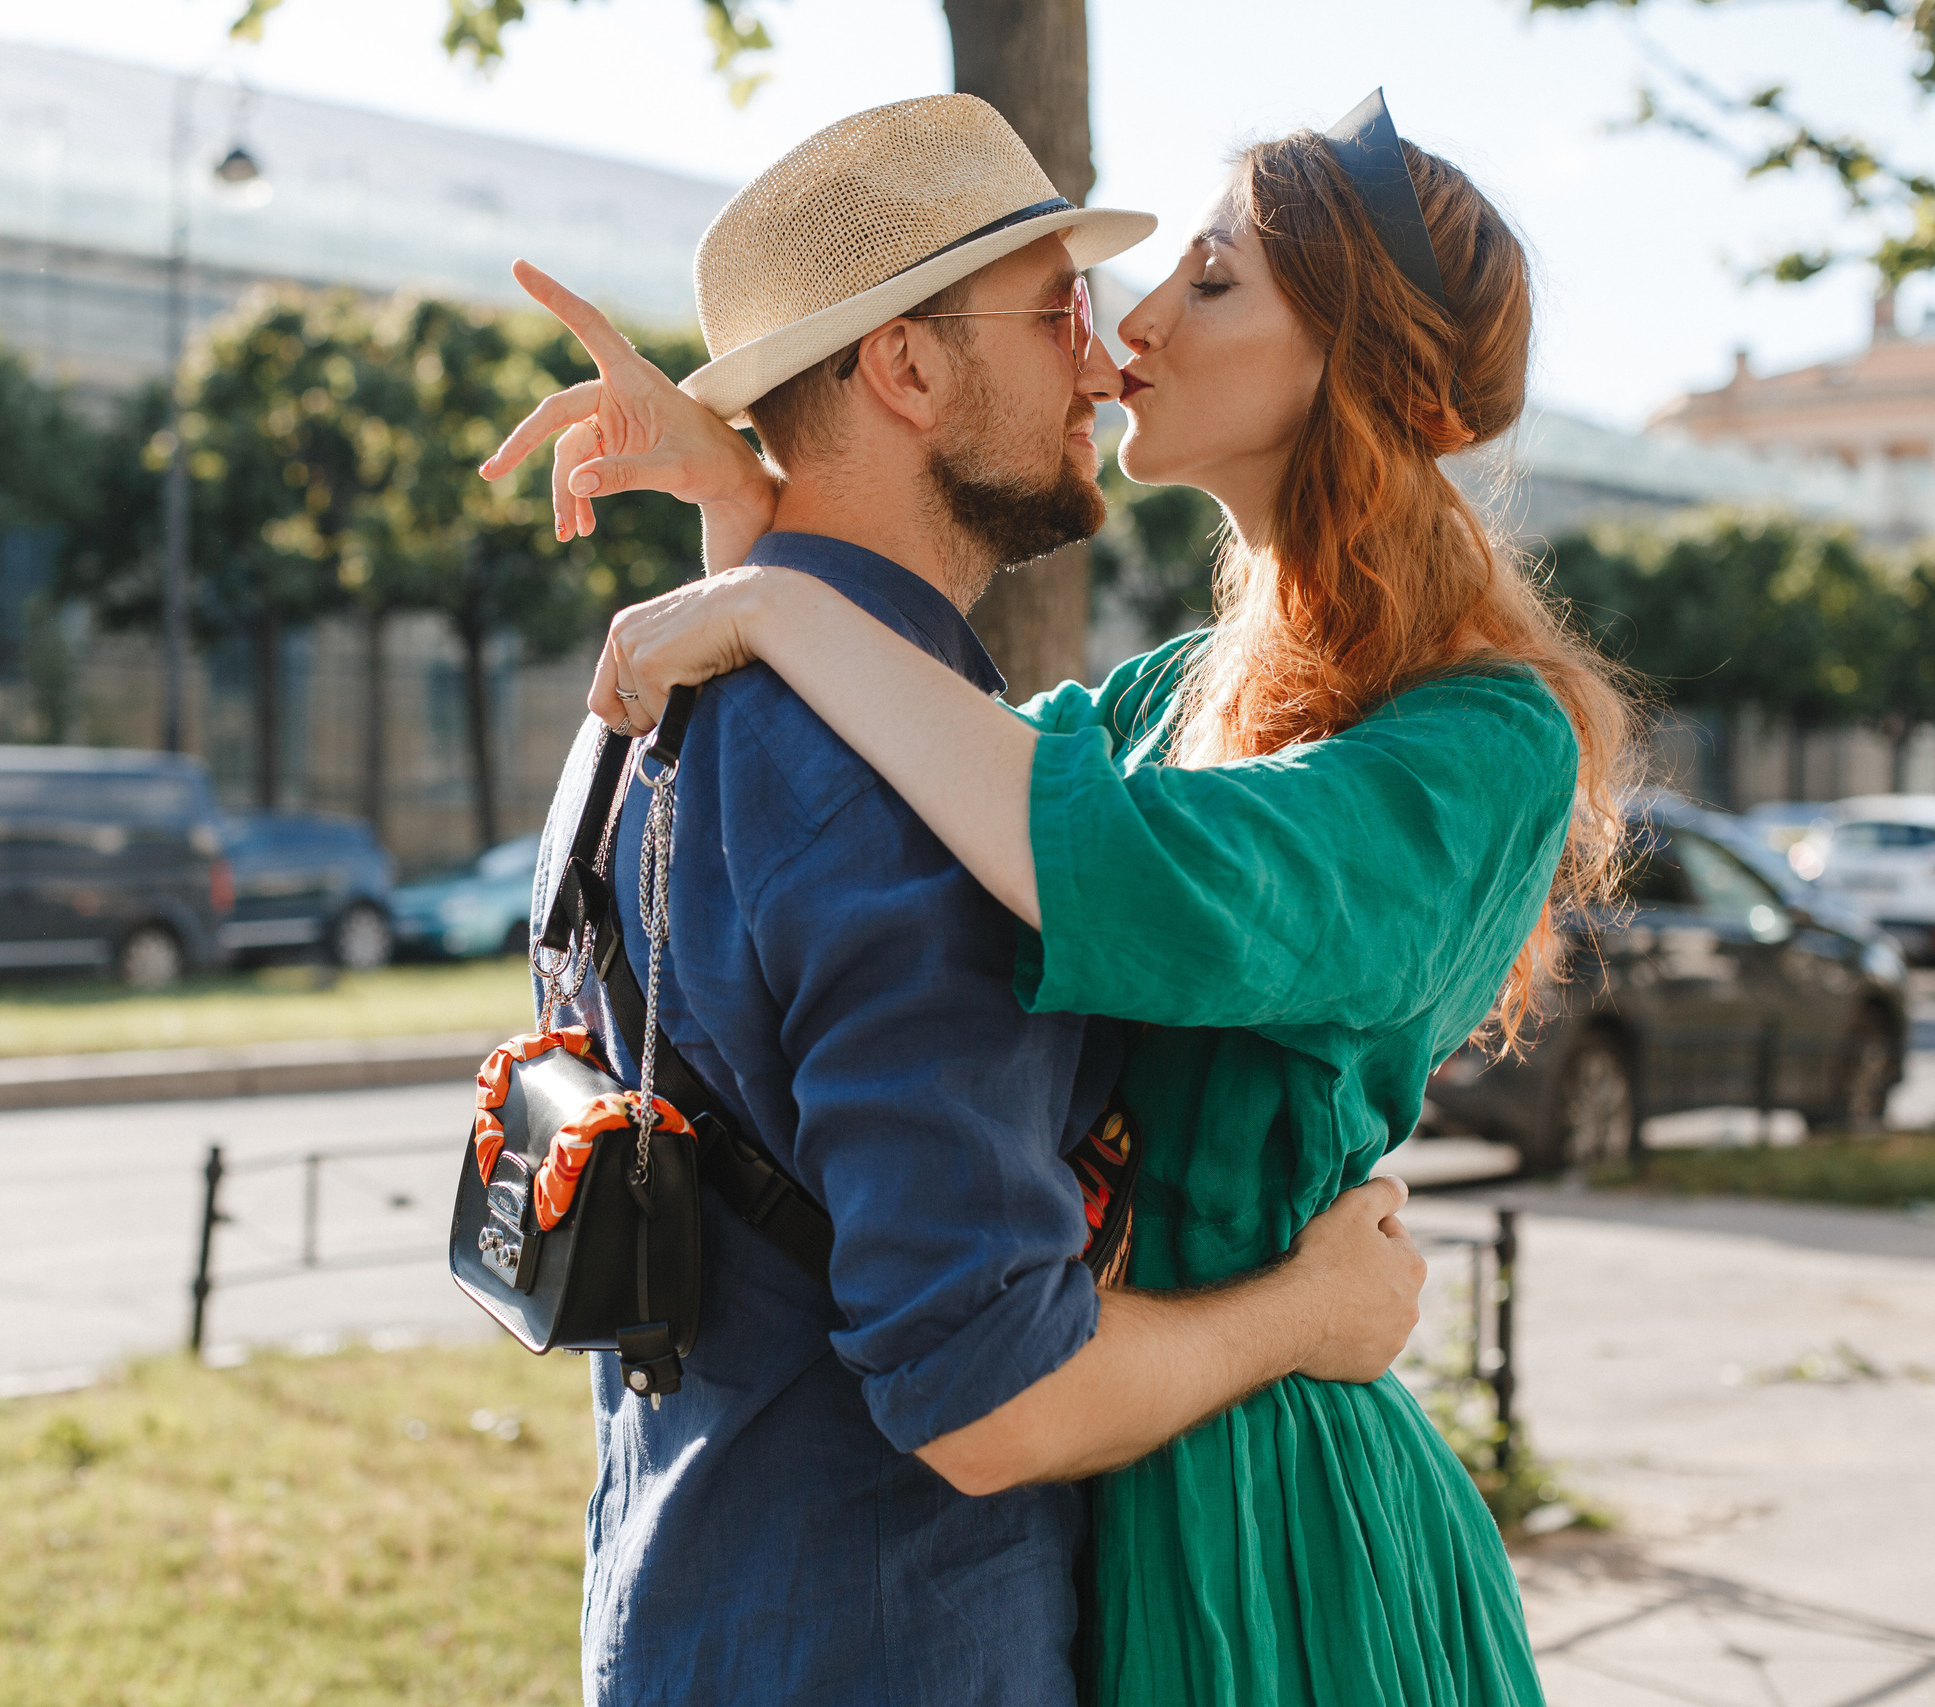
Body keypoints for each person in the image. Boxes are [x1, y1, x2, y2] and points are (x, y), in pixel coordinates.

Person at [491, 90, 1642, 1707]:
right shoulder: (1164, 695)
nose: (1127, 339)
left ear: (1355, 365)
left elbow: (1128, 874)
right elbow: (947, 790)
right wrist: (769, 518)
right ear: (905, 369)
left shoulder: (1483, 738)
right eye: (1077, 306)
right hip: (1113, 1451)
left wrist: (776, 581)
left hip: (1265, 1515)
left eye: (1213, 281)